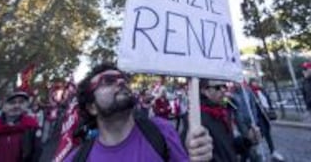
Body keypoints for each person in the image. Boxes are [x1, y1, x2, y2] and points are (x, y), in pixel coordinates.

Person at [64, 63, 213, 162]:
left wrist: (198, 156)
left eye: (123, 79)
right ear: (92, 107)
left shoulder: (162, 131)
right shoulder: (76, 159)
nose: (121, 82)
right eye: (108, 81)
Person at [0, 90, 41, 162]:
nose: (17, 106)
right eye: (12, 102)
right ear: (3, 106)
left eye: (21, 102)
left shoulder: (31, 127)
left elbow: (35, 154)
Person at [199, 79, 237, 162]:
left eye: (224, 86)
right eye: (217, 87)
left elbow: (229, 147)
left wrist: (248, 140)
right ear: (204, 91)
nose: (223, 90)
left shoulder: (221, 111)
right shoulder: (197, 119)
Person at [249, 79, 284, 161]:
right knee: (262, 133)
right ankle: (256, 150)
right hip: (258, 116)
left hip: (265, 114)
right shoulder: (250, 92)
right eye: (254, 82)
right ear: (251, 83)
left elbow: (267, 100)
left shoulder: (261, 90)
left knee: (267, 132)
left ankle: (272, 151)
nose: (256, 83)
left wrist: (270, 109)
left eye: (256, 82)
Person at [231, 82, 261, 162]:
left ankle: (245, 158)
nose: (235, 85)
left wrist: (254, 119)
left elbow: (253, 105)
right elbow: (233, 109)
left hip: (251, 119)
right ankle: (255, 159)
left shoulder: (248, 91)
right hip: (241, 122)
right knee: (247, 140)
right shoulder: (232, 94)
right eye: (234, 83)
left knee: (255, 139)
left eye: (236, 83)